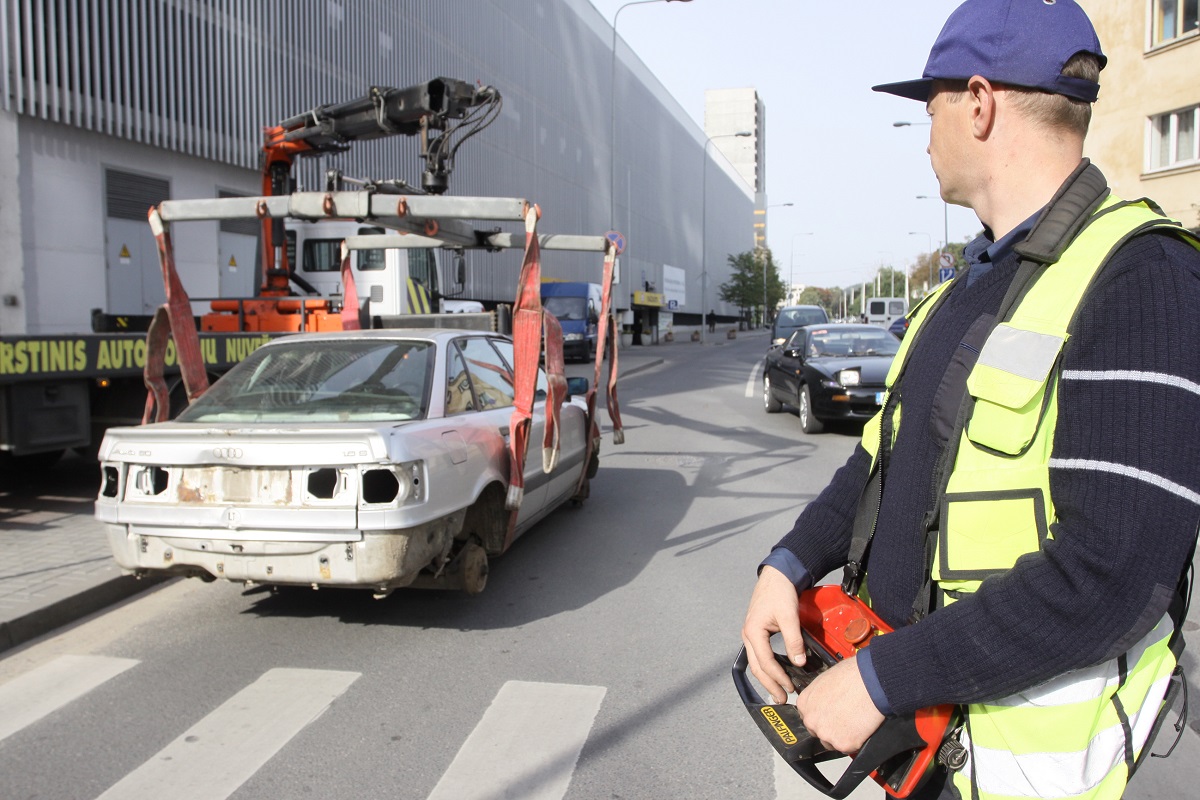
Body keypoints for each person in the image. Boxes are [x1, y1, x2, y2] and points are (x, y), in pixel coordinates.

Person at [740, 2, 1200, 799]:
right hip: (914, 747)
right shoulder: (963, 291)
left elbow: (1112, 574)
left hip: (1014, 769)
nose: (926, 133)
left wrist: (881, 679)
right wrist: (785, 564)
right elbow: (876, 460)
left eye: (933, 106)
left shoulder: (1140, 280)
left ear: (980, 104)